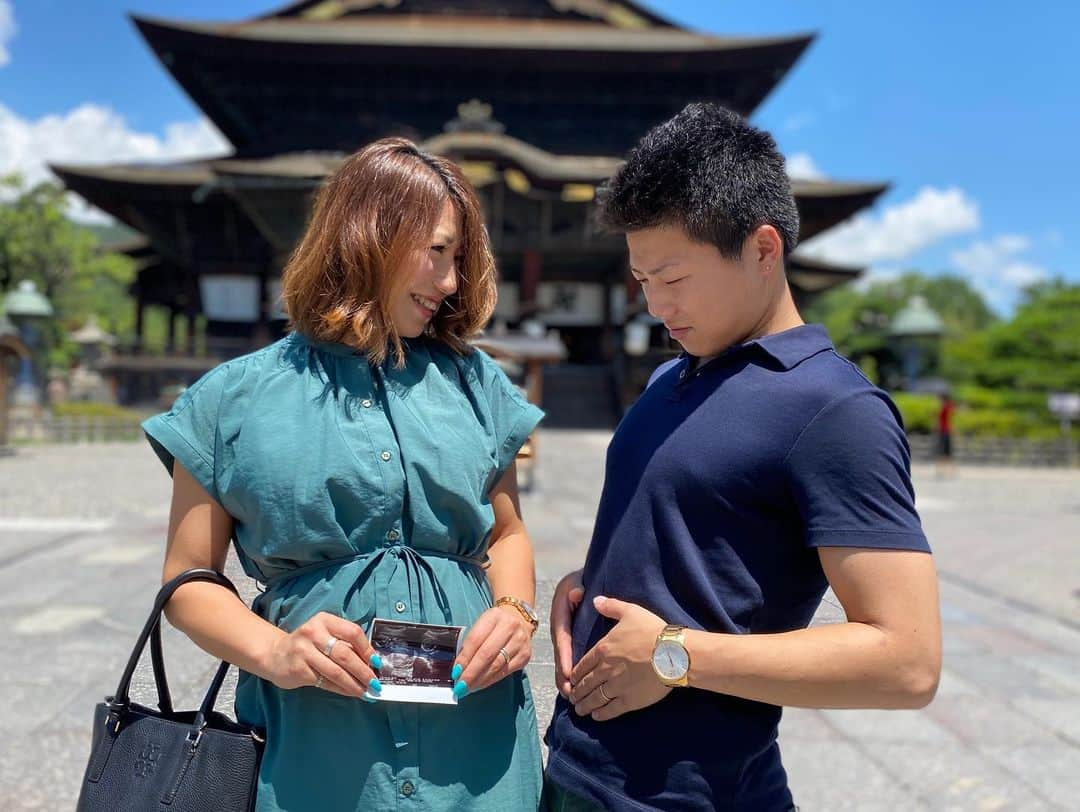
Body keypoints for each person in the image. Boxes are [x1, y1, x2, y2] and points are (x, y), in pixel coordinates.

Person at [544, 104, 942, 811]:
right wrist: (594, 582)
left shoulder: (833, 408)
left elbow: (906, 662)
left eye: (673, 277)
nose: (655, 306)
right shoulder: (674, 377)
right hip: (579, 769)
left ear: (763, 249)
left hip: (690, 792)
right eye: (641, 282)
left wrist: (673, 653)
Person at [142, 137, 545, 811]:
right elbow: (187, 580)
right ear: (369, 237)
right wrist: (274, 653)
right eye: (438, 253)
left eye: (459, 260)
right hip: (317, 751)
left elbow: (506, 535)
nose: (450, 282)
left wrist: (514, 609)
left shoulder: (478, 384)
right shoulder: (228, 398)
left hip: (479, 745)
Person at [936, 392, 956, 477]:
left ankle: (944, 470)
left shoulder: (945, 407)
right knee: (946, 451)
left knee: (944, 451)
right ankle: (947, 470)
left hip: (944, 431)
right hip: (945, 431)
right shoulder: (946, 407)